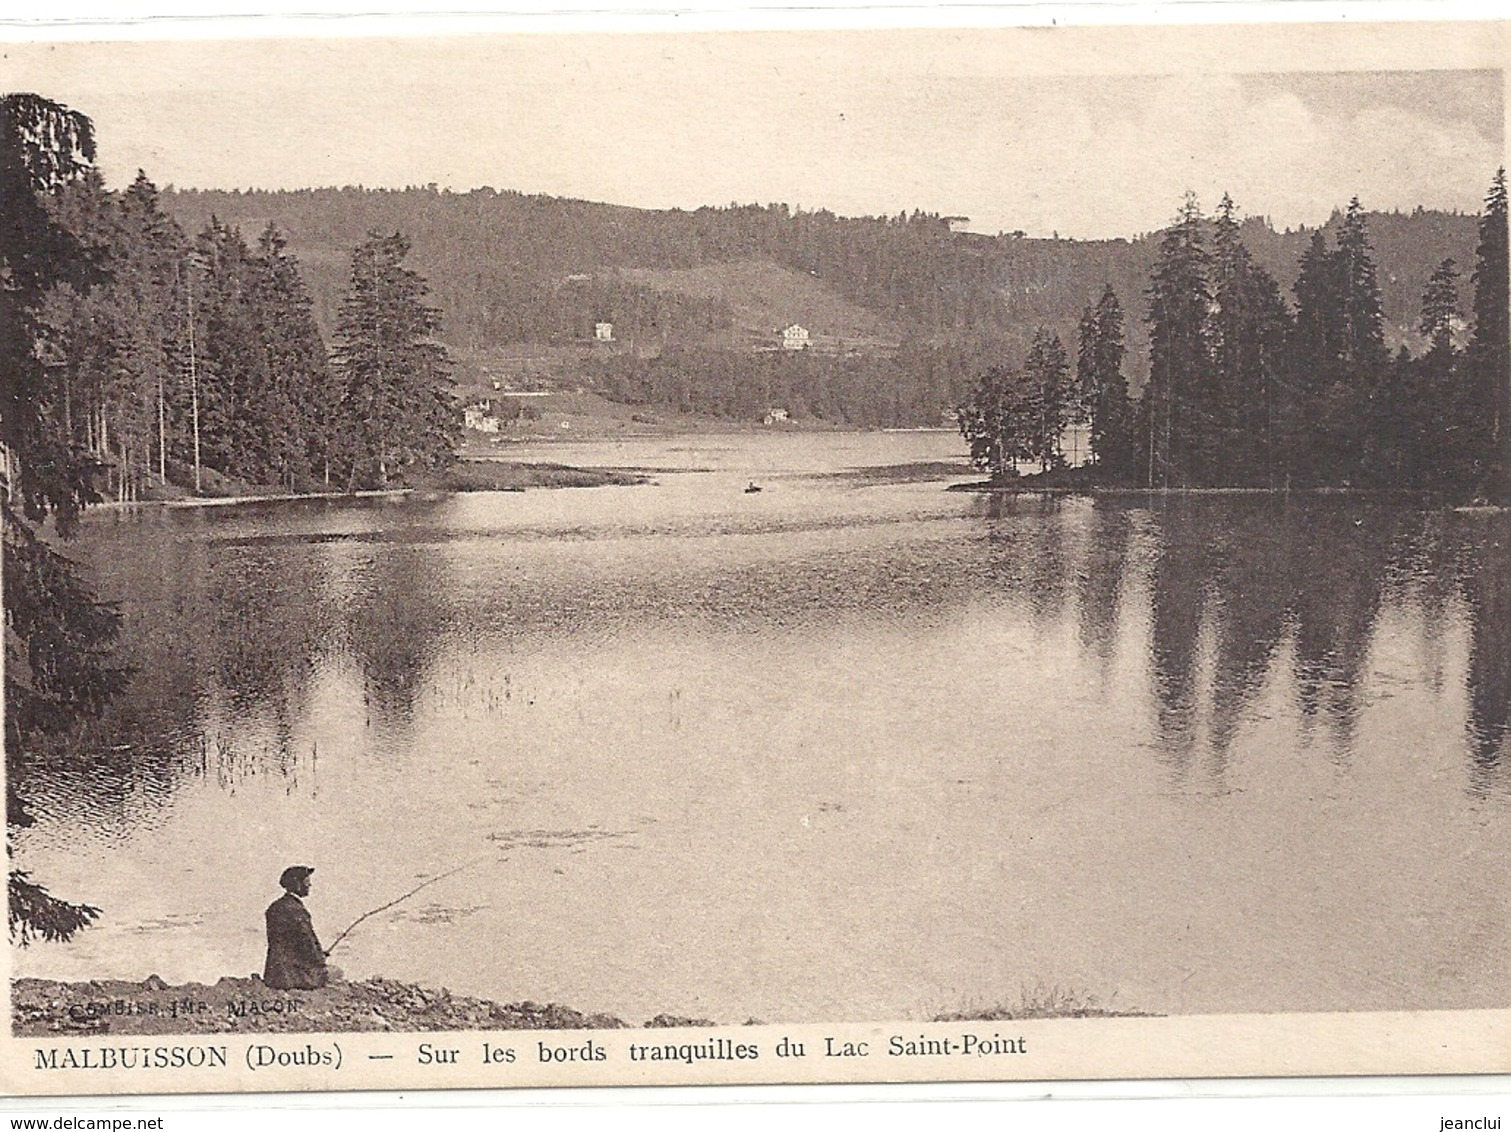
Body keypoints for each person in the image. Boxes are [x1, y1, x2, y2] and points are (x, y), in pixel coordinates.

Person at [263, 865, 328, 990]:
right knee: (335, 972)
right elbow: (307, 941)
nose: (309, 885)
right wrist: (320, 958)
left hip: (273, 974)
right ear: (297, 884)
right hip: (293, 976)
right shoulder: (297, 910)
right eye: (307, 881)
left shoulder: (274, 907)